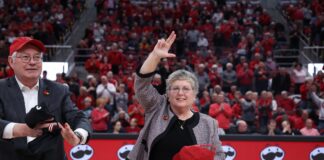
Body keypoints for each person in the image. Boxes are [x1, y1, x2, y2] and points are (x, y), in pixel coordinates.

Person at [127, 32, 224, 160]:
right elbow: (141, 86)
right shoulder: (157, 107)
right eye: (175, 88)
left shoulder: (209, 123)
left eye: (186, 89)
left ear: (194, 94)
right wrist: (155, 57)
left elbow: (219, 156)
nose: (180, 93)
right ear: (167, 93)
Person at [0, 37, 92, 160]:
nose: (32, 62)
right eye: (26, 57)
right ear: (11, 61)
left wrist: (78, 136)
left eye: (37, 57)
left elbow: (78, 117)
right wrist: (20, 129)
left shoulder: (59, 90)